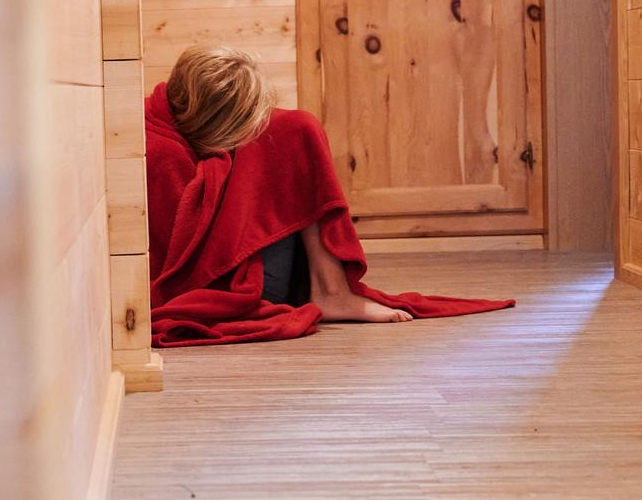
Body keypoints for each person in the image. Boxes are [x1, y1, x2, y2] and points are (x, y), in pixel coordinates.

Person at [144, 45, 512, 347]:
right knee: (288, 135)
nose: (245, 136)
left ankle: (331, 289)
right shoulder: (158, 154)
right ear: (212, 122)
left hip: (265, 272)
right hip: (229, 290)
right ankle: (329, 290)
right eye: (238, 128)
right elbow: (185, 266)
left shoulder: (173, 115)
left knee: (295, 126)